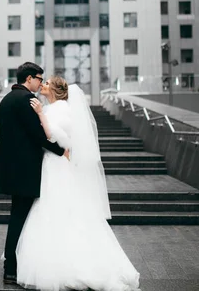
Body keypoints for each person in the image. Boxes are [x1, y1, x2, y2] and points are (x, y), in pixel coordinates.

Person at [16, 76, 140, 291]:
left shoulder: (60, 109)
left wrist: (39, 115)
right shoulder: (54, 107)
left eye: (47, 83)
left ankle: (67, 266)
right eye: (42, 82)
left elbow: (52, 136)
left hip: (57, 165)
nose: (42, 85)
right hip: (52, 163)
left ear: (55, 90)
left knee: (58, 208)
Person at [0, 63, 70, 285]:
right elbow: (37, 135)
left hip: (11, 168)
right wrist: (61, 151)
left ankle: (12, 264)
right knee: (19, 218)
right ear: (29, 79)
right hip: (25, 169)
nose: (41, 82)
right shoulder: (25, 99)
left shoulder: (7, 100)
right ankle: (11, 268)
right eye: (39, 78)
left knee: (17, 216)